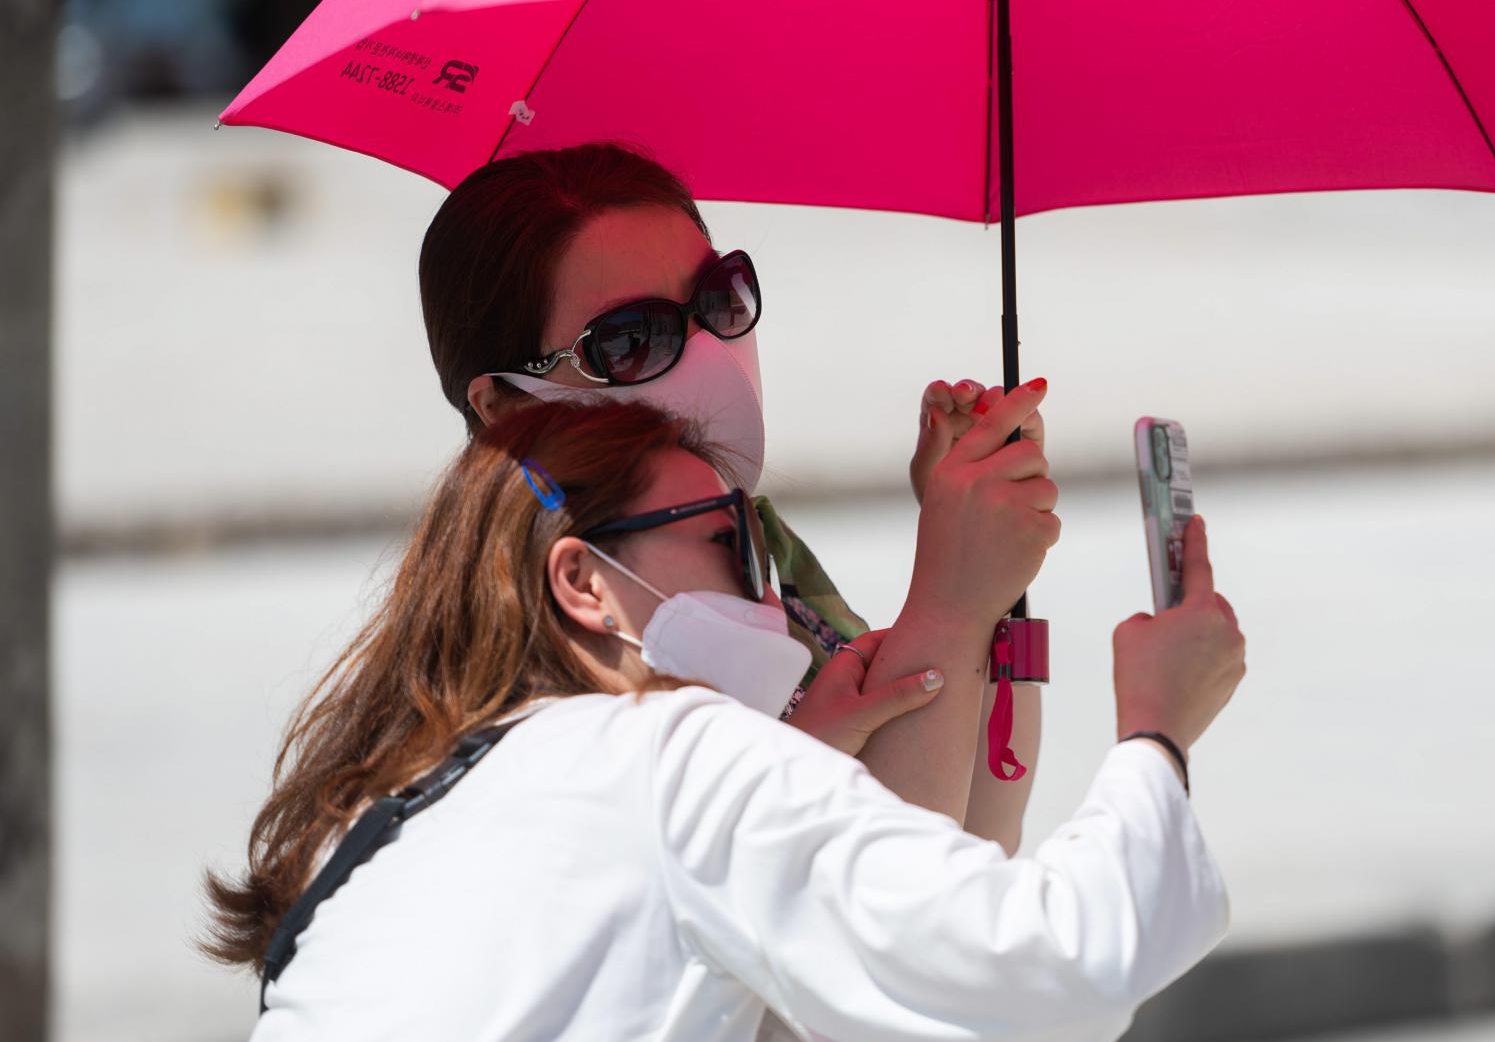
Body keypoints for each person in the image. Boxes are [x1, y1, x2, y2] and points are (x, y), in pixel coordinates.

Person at [209, 399, 1247, 1042]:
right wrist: (1158, 729)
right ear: (581, 582)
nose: (769, 587)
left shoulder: (380, 828)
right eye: (733, 540)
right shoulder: (667, 757)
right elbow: (1044, 969)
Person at [416, 141, 1049, 850]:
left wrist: (989, 570)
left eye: (717, 299)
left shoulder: (759, 545)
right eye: (629, 339)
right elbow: (899, 895)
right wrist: (952, 597)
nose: (706, 353)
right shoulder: (568, 621)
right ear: (502, 404)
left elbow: (983, 834)